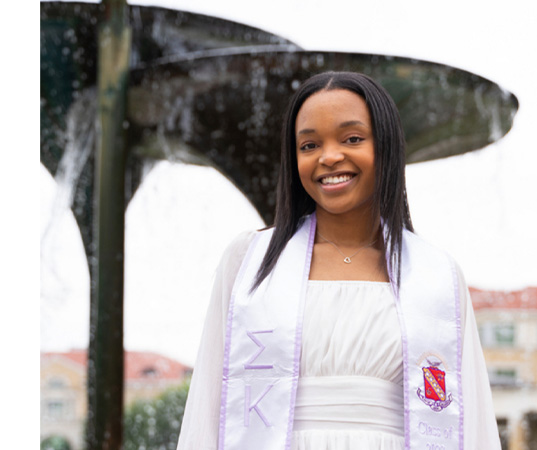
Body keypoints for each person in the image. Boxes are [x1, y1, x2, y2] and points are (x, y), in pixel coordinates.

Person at [177, 72, 500, 450]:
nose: (329, 157)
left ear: (387, 147)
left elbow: (471, 415)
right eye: (309, 144)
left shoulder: (437, 276)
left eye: (352, 139)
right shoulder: (249, 261)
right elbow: (207, 404)